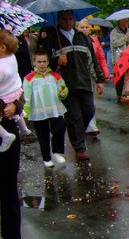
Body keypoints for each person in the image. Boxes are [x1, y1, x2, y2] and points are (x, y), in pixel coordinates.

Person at [45, 10, 105, 161]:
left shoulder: (82, 38)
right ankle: (79, 147)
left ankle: (76, 132)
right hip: (66, 85)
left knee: (89, 111)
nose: (68, 22)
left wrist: (98, 79)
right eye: (64, 19)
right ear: (59, 20)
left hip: (84, 82)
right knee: (74, 115)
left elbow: (92, 60)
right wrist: (56, 62)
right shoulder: (53, 40)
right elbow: (45, 66)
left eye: (70, 19)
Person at [22, 50, 68, 167]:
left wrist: (63, 93)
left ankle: (57, 151)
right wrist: (26, 111)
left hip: (55, 109)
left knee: (60, 128)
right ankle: (46, 158)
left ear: (48, 62)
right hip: (38, 111)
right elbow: (26, 96)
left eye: (44, 61)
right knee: (43, 135)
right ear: (34, 62)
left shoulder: (55, 76)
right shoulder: (28, 79)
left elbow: (63, 88)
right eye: (39, 62)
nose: (42, 64)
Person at [77, 19, 110, 137]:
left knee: (90, 103)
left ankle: (91, 126)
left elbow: (100, 59)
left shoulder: (94, 41)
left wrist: (103, 75)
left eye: (86, 27)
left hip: (91, 74)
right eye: (82, 27)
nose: (85, 29)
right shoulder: (74, 41)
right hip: (79, 76)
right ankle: (81, 125)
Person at [0, 30, 31, 153]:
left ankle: (6, 136)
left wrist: (16, 105)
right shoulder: (11, 57)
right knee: (17, 116)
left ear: (2, 47)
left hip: (6, 100)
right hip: (15, 91)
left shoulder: (2, 66)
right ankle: (23, 128)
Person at [0, 82, 23, 239]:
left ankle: (12, 234)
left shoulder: (8, 60)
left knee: (8, 182)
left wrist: (16, 105)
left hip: (7, 128)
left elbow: (19, 91)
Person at [110, 18, 129, 101]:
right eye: (126, 21)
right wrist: (124, 38)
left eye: (128, 20)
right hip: (118, 58)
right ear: (120, 21)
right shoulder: (114, 32)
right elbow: (115, 43)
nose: (128, 22)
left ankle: (128, 93)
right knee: (120, 77)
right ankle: (119, 95)